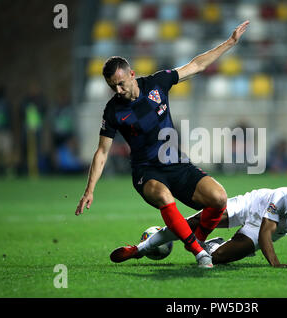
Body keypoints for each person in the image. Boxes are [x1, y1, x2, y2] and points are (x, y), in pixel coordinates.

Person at [76, 21, 250, 269]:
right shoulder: (113, 111)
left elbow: (197, 65)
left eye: (121, 82)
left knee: (219, 198)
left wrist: (230, 43)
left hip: (176, 163)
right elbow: (102, 152)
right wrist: (89, 190)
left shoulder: (158, 83)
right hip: (147, 172)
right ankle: (199, 252)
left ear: (132, 74)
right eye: (112, 85)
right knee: (164, 196)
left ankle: (195, 240)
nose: (118, 89)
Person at [110, 185, 287, 268]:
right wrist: (276, 264)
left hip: (265, 229)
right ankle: (140, 249)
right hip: (250, 207)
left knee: (216, 259)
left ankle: (213, 245)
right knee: (194, 223)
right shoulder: (281, 196)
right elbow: (266, 231)